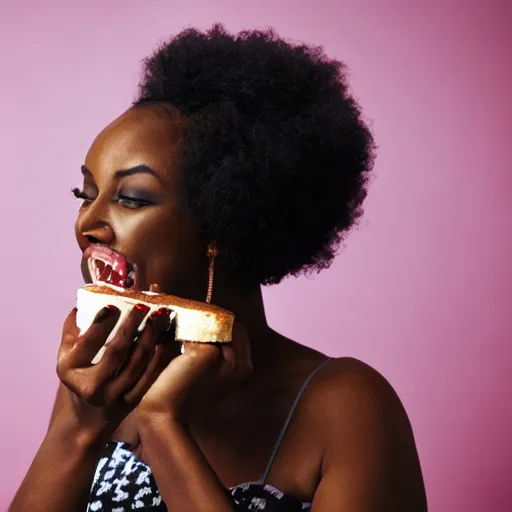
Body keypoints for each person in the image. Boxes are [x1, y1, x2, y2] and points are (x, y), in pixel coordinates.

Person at [10, 24, 427, 511]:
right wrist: (78, 428)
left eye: (131, 198)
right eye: (86, 195)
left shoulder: (349, 408)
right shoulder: (100, 387)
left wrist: (162, 425)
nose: (89, 223)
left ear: (223, 223)